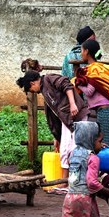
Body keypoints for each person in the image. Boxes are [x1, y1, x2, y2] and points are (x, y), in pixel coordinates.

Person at [17, 65, 88, 193]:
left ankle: (78, 181)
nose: (33, 92)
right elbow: (55, 116)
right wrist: (57, 137)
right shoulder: (44, 91)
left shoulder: (49, 79)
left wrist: (72, 103)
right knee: (65, 150)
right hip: (67, 122)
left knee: (76, 150)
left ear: (33, 83)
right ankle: (65, 182)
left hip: (77, 116)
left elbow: (67, 85)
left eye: (31, 89)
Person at [75, 39, 109, 148]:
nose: (80, 53)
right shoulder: (96, 67)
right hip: (106, 110)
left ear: (86, 51)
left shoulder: (95, 69)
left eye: (81, 50)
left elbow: (90, 91)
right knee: (106, 141)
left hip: (107, 111)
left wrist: (77, 83)